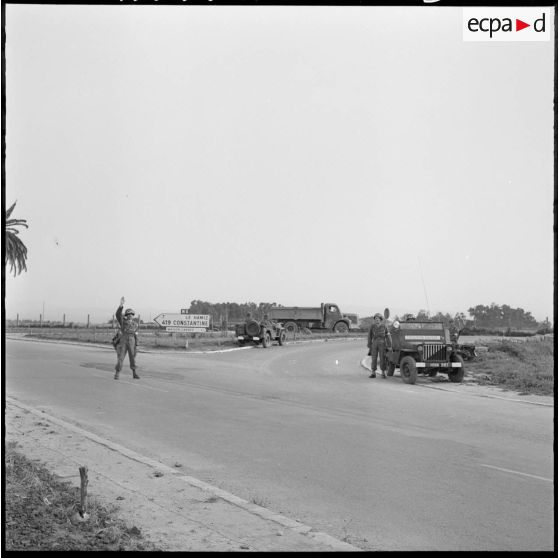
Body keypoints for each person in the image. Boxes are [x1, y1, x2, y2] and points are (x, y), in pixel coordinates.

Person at [114, 296, 139, 380]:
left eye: (131, 314)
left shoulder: (135, 324)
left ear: (133, 315)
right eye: (128, 314)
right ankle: (117, 373)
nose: (130, 316)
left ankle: (134, 373)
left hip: (132, 340)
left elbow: (136, 334)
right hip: (124, 339)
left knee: (133, 357)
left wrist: (137, 344)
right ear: (126, 315)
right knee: (121, 357)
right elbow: (118, 315)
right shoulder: (123, 322)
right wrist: (121, 305)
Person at [367, 313, 389, 378]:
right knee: (374, 358)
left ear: (381, 319)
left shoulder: (384, 326)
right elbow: (369, 336)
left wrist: (389, 345)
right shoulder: (372, 326)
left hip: (382, 343)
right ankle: (373, 372)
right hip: (374, 343)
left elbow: (388, 336)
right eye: (375, 319)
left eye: (378, 319)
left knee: (382, 358)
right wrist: (369, 344)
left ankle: (383, 373)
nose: (377, 320)